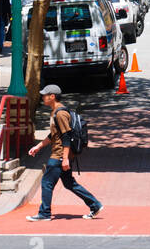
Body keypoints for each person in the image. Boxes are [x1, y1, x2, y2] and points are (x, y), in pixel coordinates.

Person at [27, 84, 102, 221]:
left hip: (59, 155)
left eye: (45, 95)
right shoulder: (55, 111)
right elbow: (54, 135)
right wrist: (39, 146)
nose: (42, 97)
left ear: (52, 96)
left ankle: (44, 213)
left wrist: (65, 158)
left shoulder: (60, 113)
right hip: (62, 155)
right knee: (69, 183)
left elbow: (66, 136)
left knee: (47, 183)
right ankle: (94, 204)